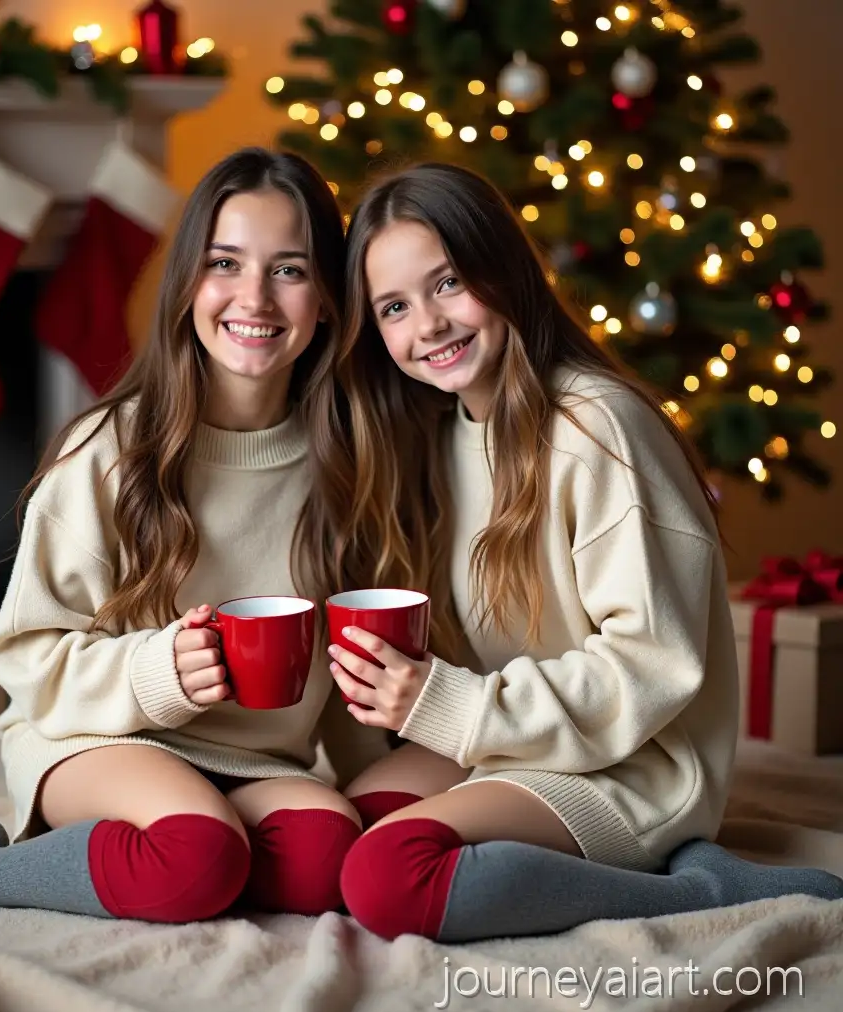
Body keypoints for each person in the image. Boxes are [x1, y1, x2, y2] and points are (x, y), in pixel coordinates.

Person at [0, 147, 387, 923]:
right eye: (225, 262)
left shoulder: (345, 464)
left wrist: (379, 783)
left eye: (289, 270)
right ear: (188, 281)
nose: (254, 296)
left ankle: (187, 844)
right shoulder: (111, 451)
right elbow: (24, 657)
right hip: (96, 736)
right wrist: (159, 670)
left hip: (255, 760)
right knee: (197, 860)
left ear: (326, 298)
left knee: (333, 860)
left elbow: (342, 660)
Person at [328, 162, 843, 942]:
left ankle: (701, 887)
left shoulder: (597, 428)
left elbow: (650, 664)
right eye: (394, 306)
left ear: (504, 270)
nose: (427, 324)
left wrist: (453, 705)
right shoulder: (438, 438)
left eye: (448, 283)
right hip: (523, 740)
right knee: (331, 839)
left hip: (633, 762)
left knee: (388, 874)